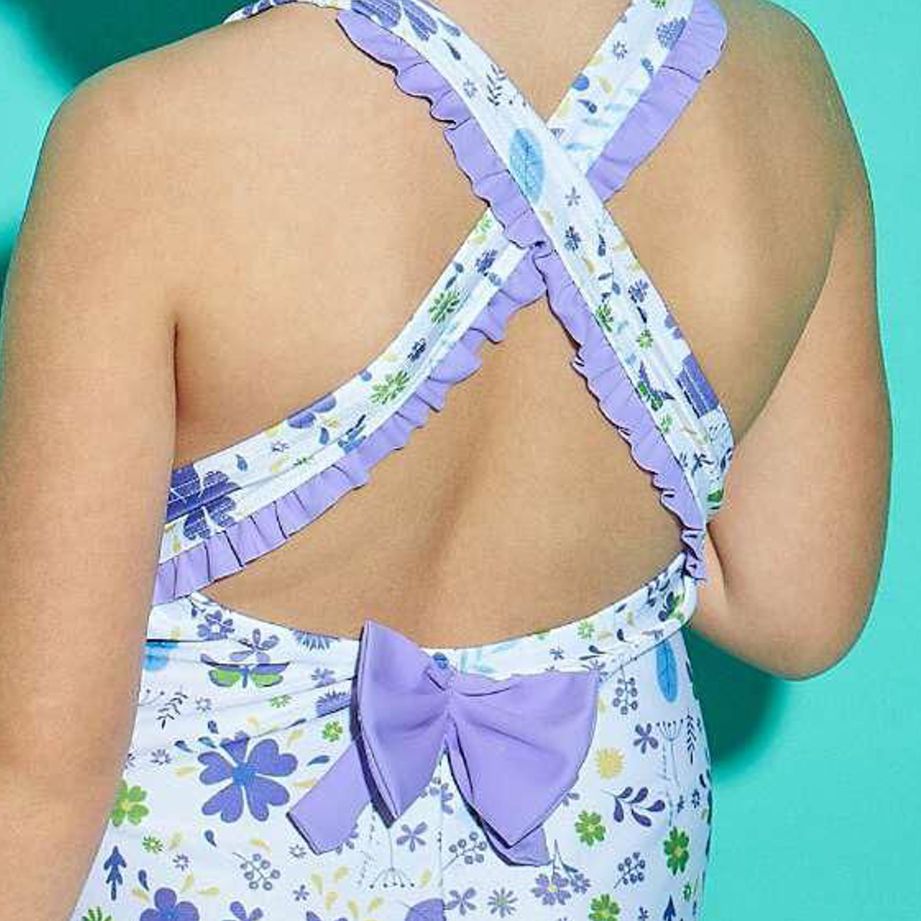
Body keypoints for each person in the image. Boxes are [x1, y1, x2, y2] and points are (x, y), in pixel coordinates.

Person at [0, 0, 889, 918]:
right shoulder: (778, 83)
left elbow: (36, 777)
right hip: (596, 872)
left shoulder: (147, 137)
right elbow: (798, 610)